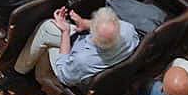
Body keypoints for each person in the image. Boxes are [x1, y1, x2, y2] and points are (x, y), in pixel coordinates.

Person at [11, 5, 139, 88]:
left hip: (73, 72)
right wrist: (83, 23)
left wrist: (65, 31)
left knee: (46, 29)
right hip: (101, 58)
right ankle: (30, 74)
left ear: (93, 37)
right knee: (47, 30)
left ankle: (19, 74)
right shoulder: (127, 29)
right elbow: (104, 27)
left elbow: (63, 72)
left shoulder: (82, 60)